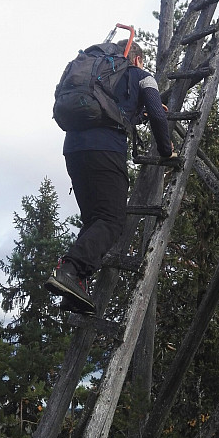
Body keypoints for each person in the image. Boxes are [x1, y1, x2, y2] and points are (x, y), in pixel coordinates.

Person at [45, 39, 175, 315]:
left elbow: (119, 112)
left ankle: (74, 289)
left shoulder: (99, 77)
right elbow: (156, 112)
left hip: (74, 150)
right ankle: (70, 271)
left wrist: (137, 114)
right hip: (105, 151)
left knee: (95, 220)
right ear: (138, 59)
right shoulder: (141, 75)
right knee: (111, 220)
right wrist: (167, 151)